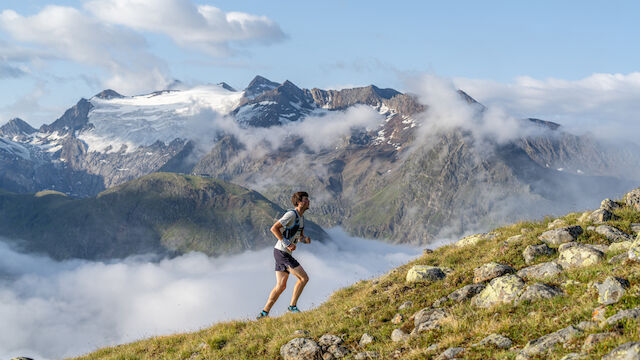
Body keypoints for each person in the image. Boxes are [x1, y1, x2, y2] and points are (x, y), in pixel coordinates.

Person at [257, 191, 311, 319]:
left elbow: (300, 237)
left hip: (281, 252)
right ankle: (292, 307)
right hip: (282, 252)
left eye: (308, 200)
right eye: (305, 200)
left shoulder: (301, 219)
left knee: (281, 286)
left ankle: (264, 313)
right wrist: (287, 244)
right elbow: (274, 228)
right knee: (304, 278)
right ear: (298, 202)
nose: (308, 202)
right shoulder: (291, 214)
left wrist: (306, 240)